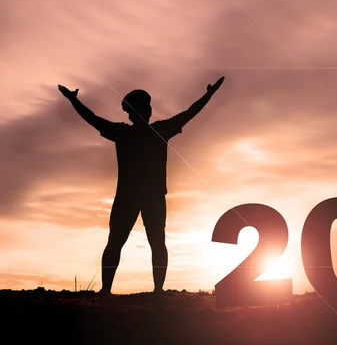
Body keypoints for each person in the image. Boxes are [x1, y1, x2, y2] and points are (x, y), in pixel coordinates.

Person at [58, 76, 225, 294]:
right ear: (133, 111)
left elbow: (189, 113)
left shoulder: (148, 130)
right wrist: (73, 101)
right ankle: (108, 290)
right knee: (120, 241)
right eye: (144, 106)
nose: (148, 109)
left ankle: (154, 290)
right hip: (134, 196)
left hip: (148, 196)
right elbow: (93, 118)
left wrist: (208, 95)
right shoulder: (137, 131)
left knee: (152, 242)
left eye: (148, 105)